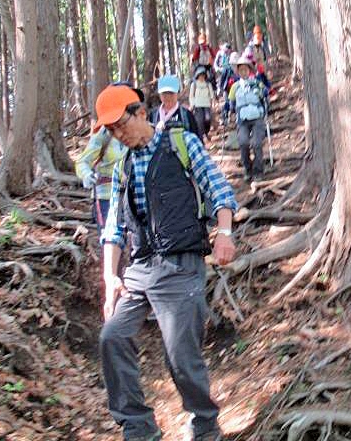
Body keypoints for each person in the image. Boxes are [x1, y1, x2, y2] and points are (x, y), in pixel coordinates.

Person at [94, 84, 238, 441]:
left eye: (121, 125)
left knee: (180, 354)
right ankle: (138, 426)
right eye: (111, 130)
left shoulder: (182, 144)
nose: (118, 135)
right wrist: (111, 278)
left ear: (141, 113)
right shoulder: (123, 166)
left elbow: (219, 189)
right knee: (112, 337)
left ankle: (204, 424)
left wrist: (224, 233)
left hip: (180, 265)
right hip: (140, 268)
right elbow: (113, 227)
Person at [76, 82, 145, 231]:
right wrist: (87, 175)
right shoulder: (103, 133)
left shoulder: (142, 129)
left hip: (135, 196)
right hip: (106, 197)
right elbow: (82, 162)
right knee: (110, 236)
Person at [228, 54, 268, 181]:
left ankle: (258, 170)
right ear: (238, 71)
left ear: (249, 70)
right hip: (242, 119)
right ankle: (247, 169)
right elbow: (230, 102)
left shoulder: (257, 83)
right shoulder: (235, 87)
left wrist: (262, 93)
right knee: (243, 142)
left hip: (257, 117)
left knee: (256, 143)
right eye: (241, 70)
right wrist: (229, 112)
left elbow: (265, 95)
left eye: (245, 69)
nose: (243, 72)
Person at [149, 75, 201, 140]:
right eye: (164, 93)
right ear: (159, 95)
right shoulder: (153, 115)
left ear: (177, 94)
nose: (168, 97)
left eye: (171, 93)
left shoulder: (186, 115)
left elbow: (196, 139)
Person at [190, 66, 216, 140]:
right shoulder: (194, 85)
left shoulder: (208, 84)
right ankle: (201, 137)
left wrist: (213, 102)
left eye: (203, 75)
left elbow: (212, 95)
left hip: (207, 104)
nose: (202, 77)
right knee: (199, 121)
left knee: (208, 119)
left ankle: (206, 132)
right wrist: (192, 104)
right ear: (197, 76)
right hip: (197, 105)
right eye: (200, 75)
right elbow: (191, 96)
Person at [220, 52, 241, 126]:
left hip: (237, 90)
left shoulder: (240, 68)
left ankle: (237, 119)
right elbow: (222, 79)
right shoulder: (227, 69)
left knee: (236, 105)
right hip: (228, 89)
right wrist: (221, 88)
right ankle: (224, 117)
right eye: (233, 64)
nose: (234, 65)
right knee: (228, 103)